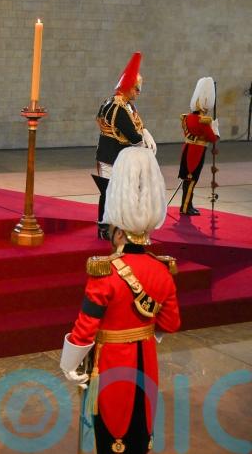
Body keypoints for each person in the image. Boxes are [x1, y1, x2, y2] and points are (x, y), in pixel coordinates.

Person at [60, 147, 180, 454]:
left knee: (111, 432)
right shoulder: (162, 269)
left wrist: (69, 364)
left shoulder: (105, 271)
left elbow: (85, 328)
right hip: (147, 360)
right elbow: (171, 324)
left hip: (112, 364)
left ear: (117, 228)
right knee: (141, 429)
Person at [94, 52, 157, 240]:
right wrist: (143, 141)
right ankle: (104, 227)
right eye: (137, 89)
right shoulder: (118, 107)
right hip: (110, 156)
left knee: (114, 192)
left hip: (116, 155)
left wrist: (145, 131)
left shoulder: (124, 103)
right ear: (129, 87)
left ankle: (113, 224)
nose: (138, 93)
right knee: (108, 192)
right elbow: (133, 136)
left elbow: (137, 124)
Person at [178, 77, 220, 216]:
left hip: (187, 150)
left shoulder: (188, 117)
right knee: (191, 180)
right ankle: (185, 207)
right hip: (196, 152)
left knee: (188, 181)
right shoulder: (203, 120)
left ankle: (187, 204)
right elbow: (212, 138)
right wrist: (215, 128)